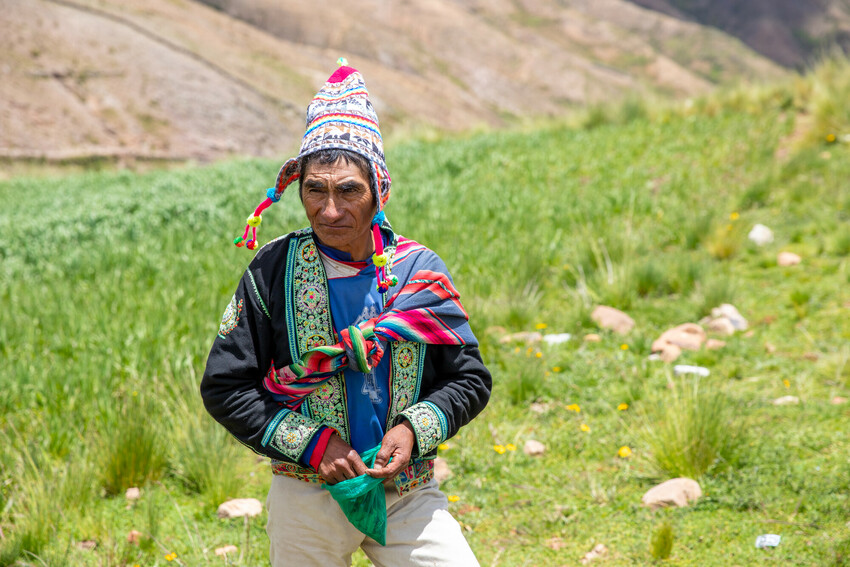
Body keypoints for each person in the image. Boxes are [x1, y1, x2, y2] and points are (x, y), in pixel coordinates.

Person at [201, 60, 492, 567]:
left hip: (405, 491)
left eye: (348, 191)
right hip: (306, 495)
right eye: (315, 189)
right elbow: (226, 386)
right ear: (298, 188)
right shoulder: (274, 270)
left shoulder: (418, 271)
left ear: (378, 189)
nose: (329, 210)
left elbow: (469, 380)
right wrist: (315, 446)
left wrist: (411, 431)